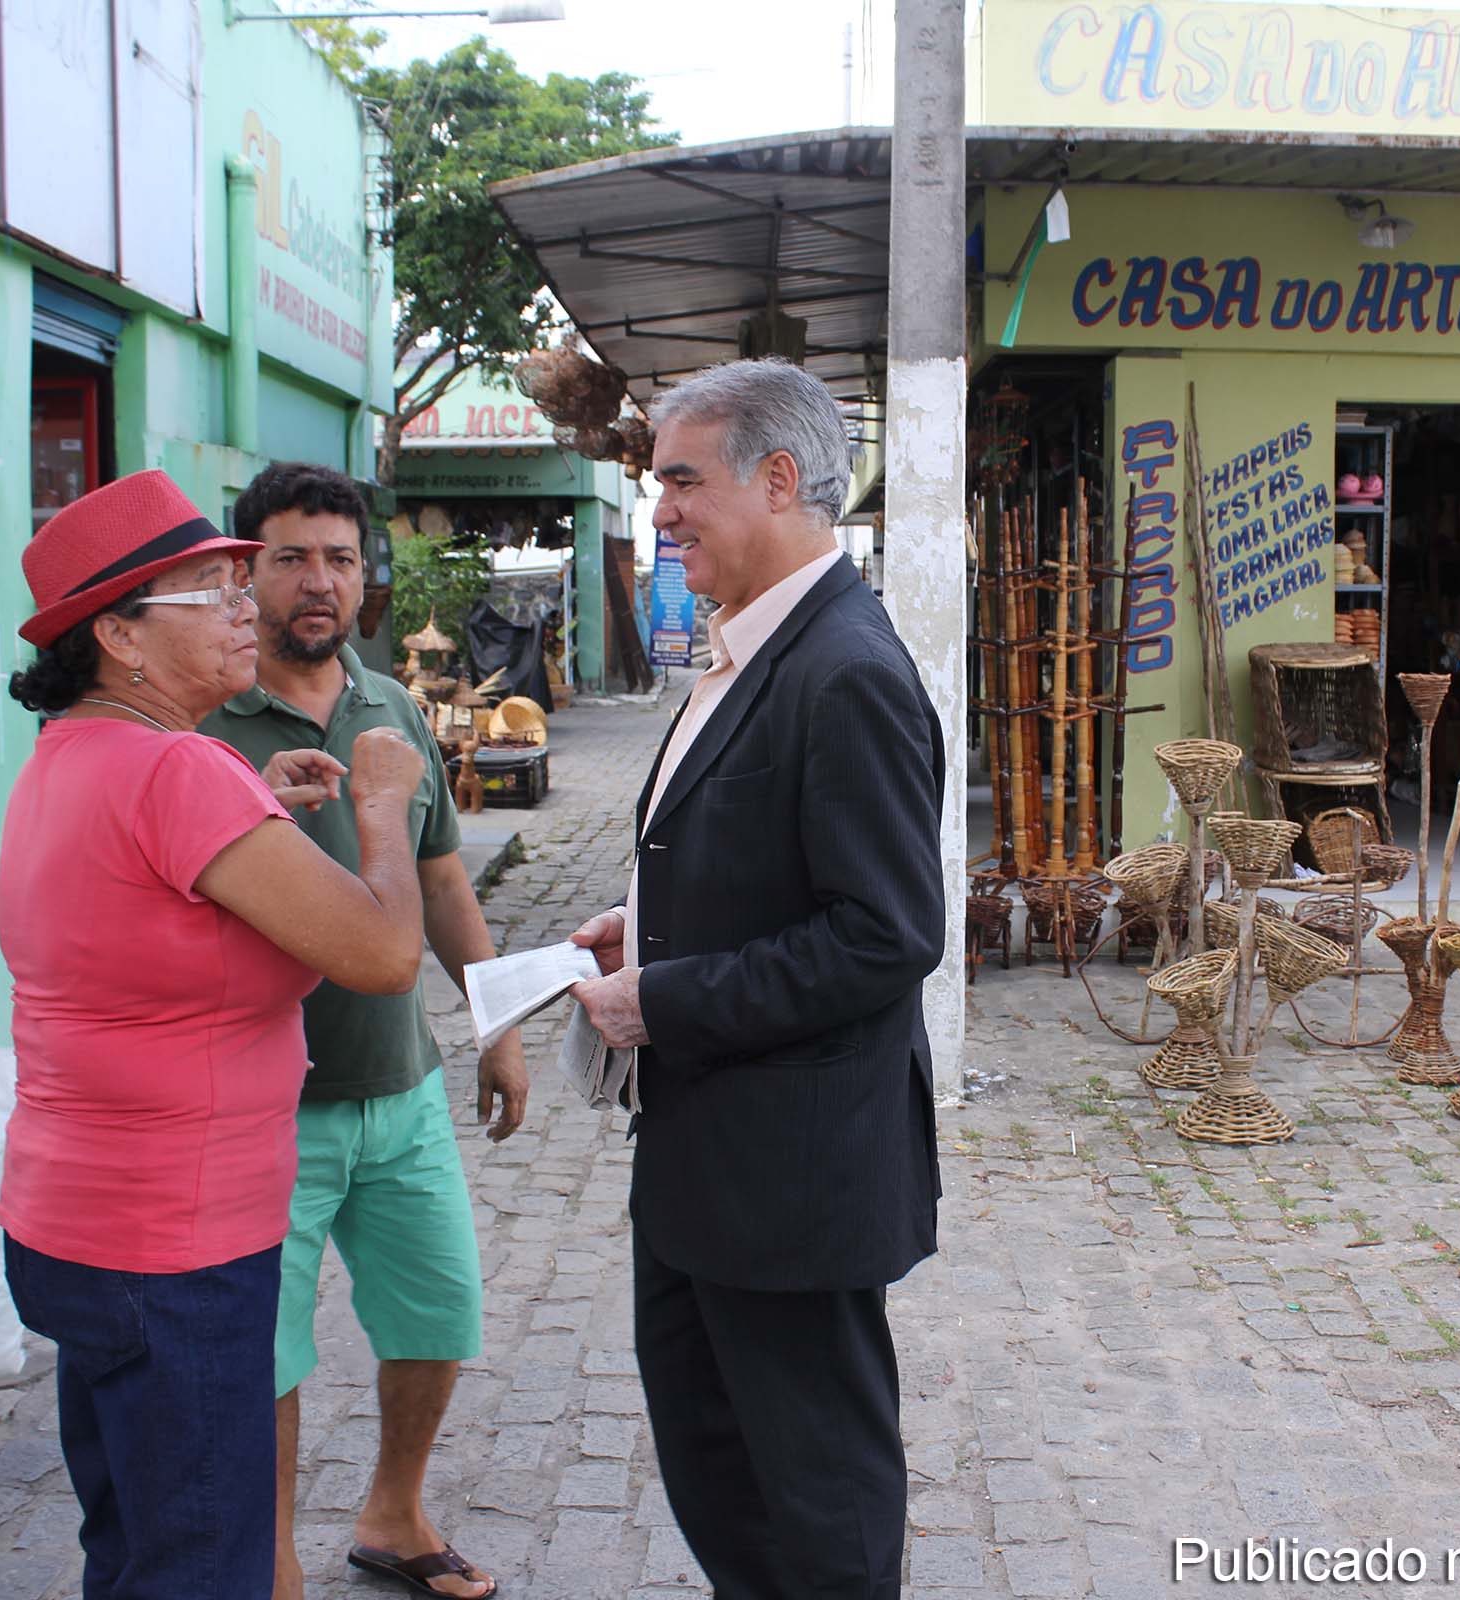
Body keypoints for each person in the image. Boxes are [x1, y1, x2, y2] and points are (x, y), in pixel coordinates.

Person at [0, 469, 429, 1599]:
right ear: (121, 637)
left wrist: (250, 804)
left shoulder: (73, 755)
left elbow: (148, 906)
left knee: (135, 1542)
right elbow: (382, 955)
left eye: (242, 580)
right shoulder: (183, 769)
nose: (248, 605)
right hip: (173, 1242)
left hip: (75, 1221)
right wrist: (382, 800)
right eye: (208, 588)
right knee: (204, 1560)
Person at [567, 359, 945, 1598]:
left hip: (791, 1186)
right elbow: (773, 870)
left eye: (682, 479)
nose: (660, 510)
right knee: (725, 1484)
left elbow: (884, 934)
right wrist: (655, 922)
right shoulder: (753, 652)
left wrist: (664, 1000)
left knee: (815, 1514)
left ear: (778, 481)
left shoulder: (845, 669)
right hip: (709, 1174)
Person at [202, 462, 526, 1600]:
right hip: (262, 1108)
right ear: (245, 571)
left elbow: (440, 883)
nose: (318, 581)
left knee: (439, 1309)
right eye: (291, 556)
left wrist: (496, 1022)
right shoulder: (203, 720)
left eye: (339, 558)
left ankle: (395, 1510)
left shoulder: (390, 707)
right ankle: (274, 1560)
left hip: (397, 1089)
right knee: (267, 1353)